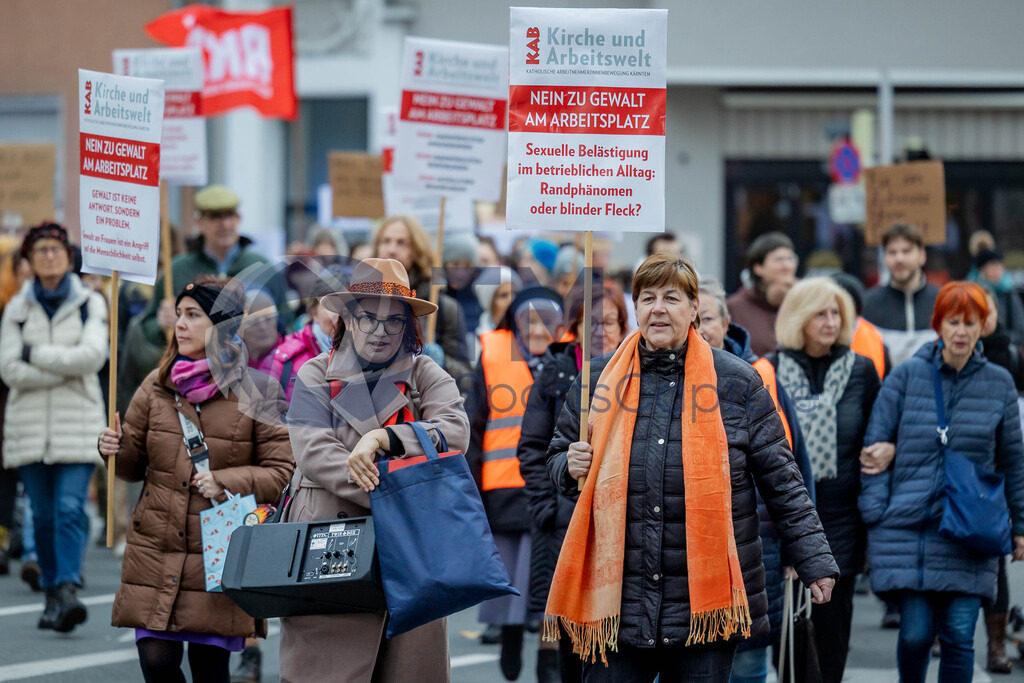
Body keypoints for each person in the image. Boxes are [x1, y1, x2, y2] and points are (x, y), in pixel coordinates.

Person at [545, 254, 838, 683]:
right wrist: (568, 466)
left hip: (706, 611)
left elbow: (782, 480)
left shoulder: (737, 383)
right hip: (619, 603)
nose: (658, 308)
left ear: (694, 307)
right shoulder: (597, 380)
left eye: (671, 297)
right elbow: (556, 456)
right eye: (647, 298)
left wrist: (814, 559)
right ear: (636, 308)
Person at [279, 258, 469, 682]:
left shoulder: (425, 373)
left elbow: (454, 433)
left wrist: (384, 439)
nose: (381, 331)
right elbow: (315, 453)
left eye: (394, 320)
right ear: (346, 317)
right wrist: (399, 489)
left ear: (408, 326)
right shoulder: (314, 372)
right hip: (330, 553)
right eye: (368, 317)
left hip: (413, 557)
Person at [97, 277, 293, 683]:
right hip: (157, 545)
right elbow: (133, 468)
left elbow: (282, 474)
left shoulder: (259, 392)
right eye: (179, 315)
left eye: (193, 315)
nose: (180, 324)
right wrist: (114, 449)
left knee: (209, 670)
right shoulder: (156, 386)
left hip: (219, 553)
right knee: (156, 661)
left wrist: (226, 480)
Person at [860, 281, 1024, 683]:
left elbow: (1013, 460)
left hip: (970, 531)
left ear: (984, 326)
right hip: (909, 527)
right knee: (915, 635)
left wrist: (1019, 527)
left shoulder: (999, 382)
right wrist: (876, 511)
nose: (962, 331)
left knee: (959, 635)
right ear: (939, 324)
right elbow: (873, 449)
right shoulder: (905, 377)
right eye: (954, 321)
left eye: (971, 322)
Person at [696, 277, 815, 683]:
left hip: (755, 545)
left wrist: (799, 550)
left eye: (706, 317)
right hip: (685, 553)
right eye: (689, 317)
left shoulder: (757, 378)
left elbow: (792, 467)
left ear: (728, 322)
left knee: (746, 663)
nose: (698, 328)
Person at [764, 277, 880, 683]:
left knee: (832, 638)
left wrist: (888, 449)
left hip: (842, 521)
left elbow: (878, 433)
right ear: (799, 317)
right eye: (820, 313)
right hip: (786, 522)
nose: (831, 321)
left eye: (836, 313)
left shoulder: (862, 371)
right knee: (789, 642)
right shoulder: (769, 370)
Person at [517, 281, 629, 683]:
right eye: (590, 322)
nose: (601, 331)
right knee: (567, 632)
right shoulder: (556, 373)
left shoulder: (635, 372)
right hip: (564, 523)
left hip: (620, 525)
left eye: (611, 322)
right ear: (575, 326)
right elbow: (531, 447)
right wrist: (549, 506)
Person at [0, 223, 108, 633]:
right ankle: (50, 593)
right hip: (29, 429)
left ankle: (66, 589)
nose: (49, 256)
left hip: (77, 425)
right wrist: (64, 367)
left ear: (68, 255)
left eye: (56, 249)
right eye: (41, 249)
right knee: (41, 516)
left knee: (68, 509)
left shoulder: (90, 303)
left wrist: (35, 354)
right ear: (29, 259)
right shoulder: (16, 308)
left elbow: (92, 357)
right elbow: (9, 369)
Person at [469, 285, 565, 681]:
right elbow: (474, 428)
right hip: (503, 488)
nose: (539, 327)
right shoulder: (492, 355)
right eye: (531, 317)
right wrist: (471, 491)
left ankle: (548, 655)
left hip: (556, 486)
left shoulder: (574, 360)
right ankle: (509, 634)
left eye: (549, 319)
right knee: (510, 574)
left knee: (550, 580)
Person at [135, 185, 285, 383]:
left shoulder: (261, 267)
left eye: (230, 216)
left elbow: (285, 323)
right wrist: (162, 324)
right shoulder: (177, 270)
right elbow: (147, 327)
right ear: (200, 223)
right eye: (215, 217)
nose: (225, 224)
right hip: (191, 380)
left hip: (252, 379)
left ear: (238, 219)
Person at [373, 216, 472, 380]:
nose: (391, 249)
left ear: (417, 250)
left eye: (401, 243)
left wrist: (438, 362)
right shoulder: (359, 300)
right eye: (386, 241)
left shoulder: (443, 308)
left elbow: (466, 379)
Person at [862, 223, 940, 366]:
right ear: (884, 258)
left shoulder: (942, 301)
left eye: (906, 251)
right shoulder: (866, 305)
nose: (899, 259)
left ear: (922, 255)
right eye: (892, 252)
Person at [726, 232, 798, 356]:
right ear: (758, 268)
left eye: (790, 259)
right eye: (779, 259)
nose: (787, 266)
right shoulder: (735, 307)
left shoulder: (804, 302)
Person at [971, 248, 1024, 345]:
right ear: (982, 270)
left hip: (1004, 345)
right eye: (992, 266)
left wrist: (1002, 339)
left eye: (999, 266)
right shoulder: (973, 293)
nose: (997, 270)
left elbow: (1020, 328)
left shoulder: (1008, 292)